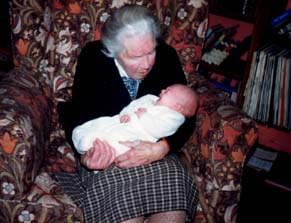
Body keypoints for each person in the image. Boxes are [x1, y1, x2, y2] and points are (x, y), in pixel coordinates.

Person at [55, 4, 199, 223]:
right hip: (110, 155)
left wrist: (161, 147)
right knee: (125, 213)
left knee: (173, 201)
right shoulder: (94, 57)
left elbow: (186, 115)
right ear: (113, 50)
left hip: (156, 153)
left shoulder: (167, 56)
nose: (148, 63)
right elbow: (80, 113)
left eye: (151, 51)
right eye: (135, 56)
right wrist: (86, 157)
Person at [72, 84, 198, 162]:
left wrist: (144, 116)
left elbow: (159, 129)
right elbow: (134, 105)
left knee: (116, 143)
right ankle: (83, 137)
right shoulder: (151, 99)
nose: (162, 90)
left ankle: (92, 147)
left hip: (135, 135)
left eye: (167, 91)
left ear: (177, 107)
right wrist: (125, 113)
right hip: (120, 121)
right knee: (99, 124)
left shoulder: (173, 117)